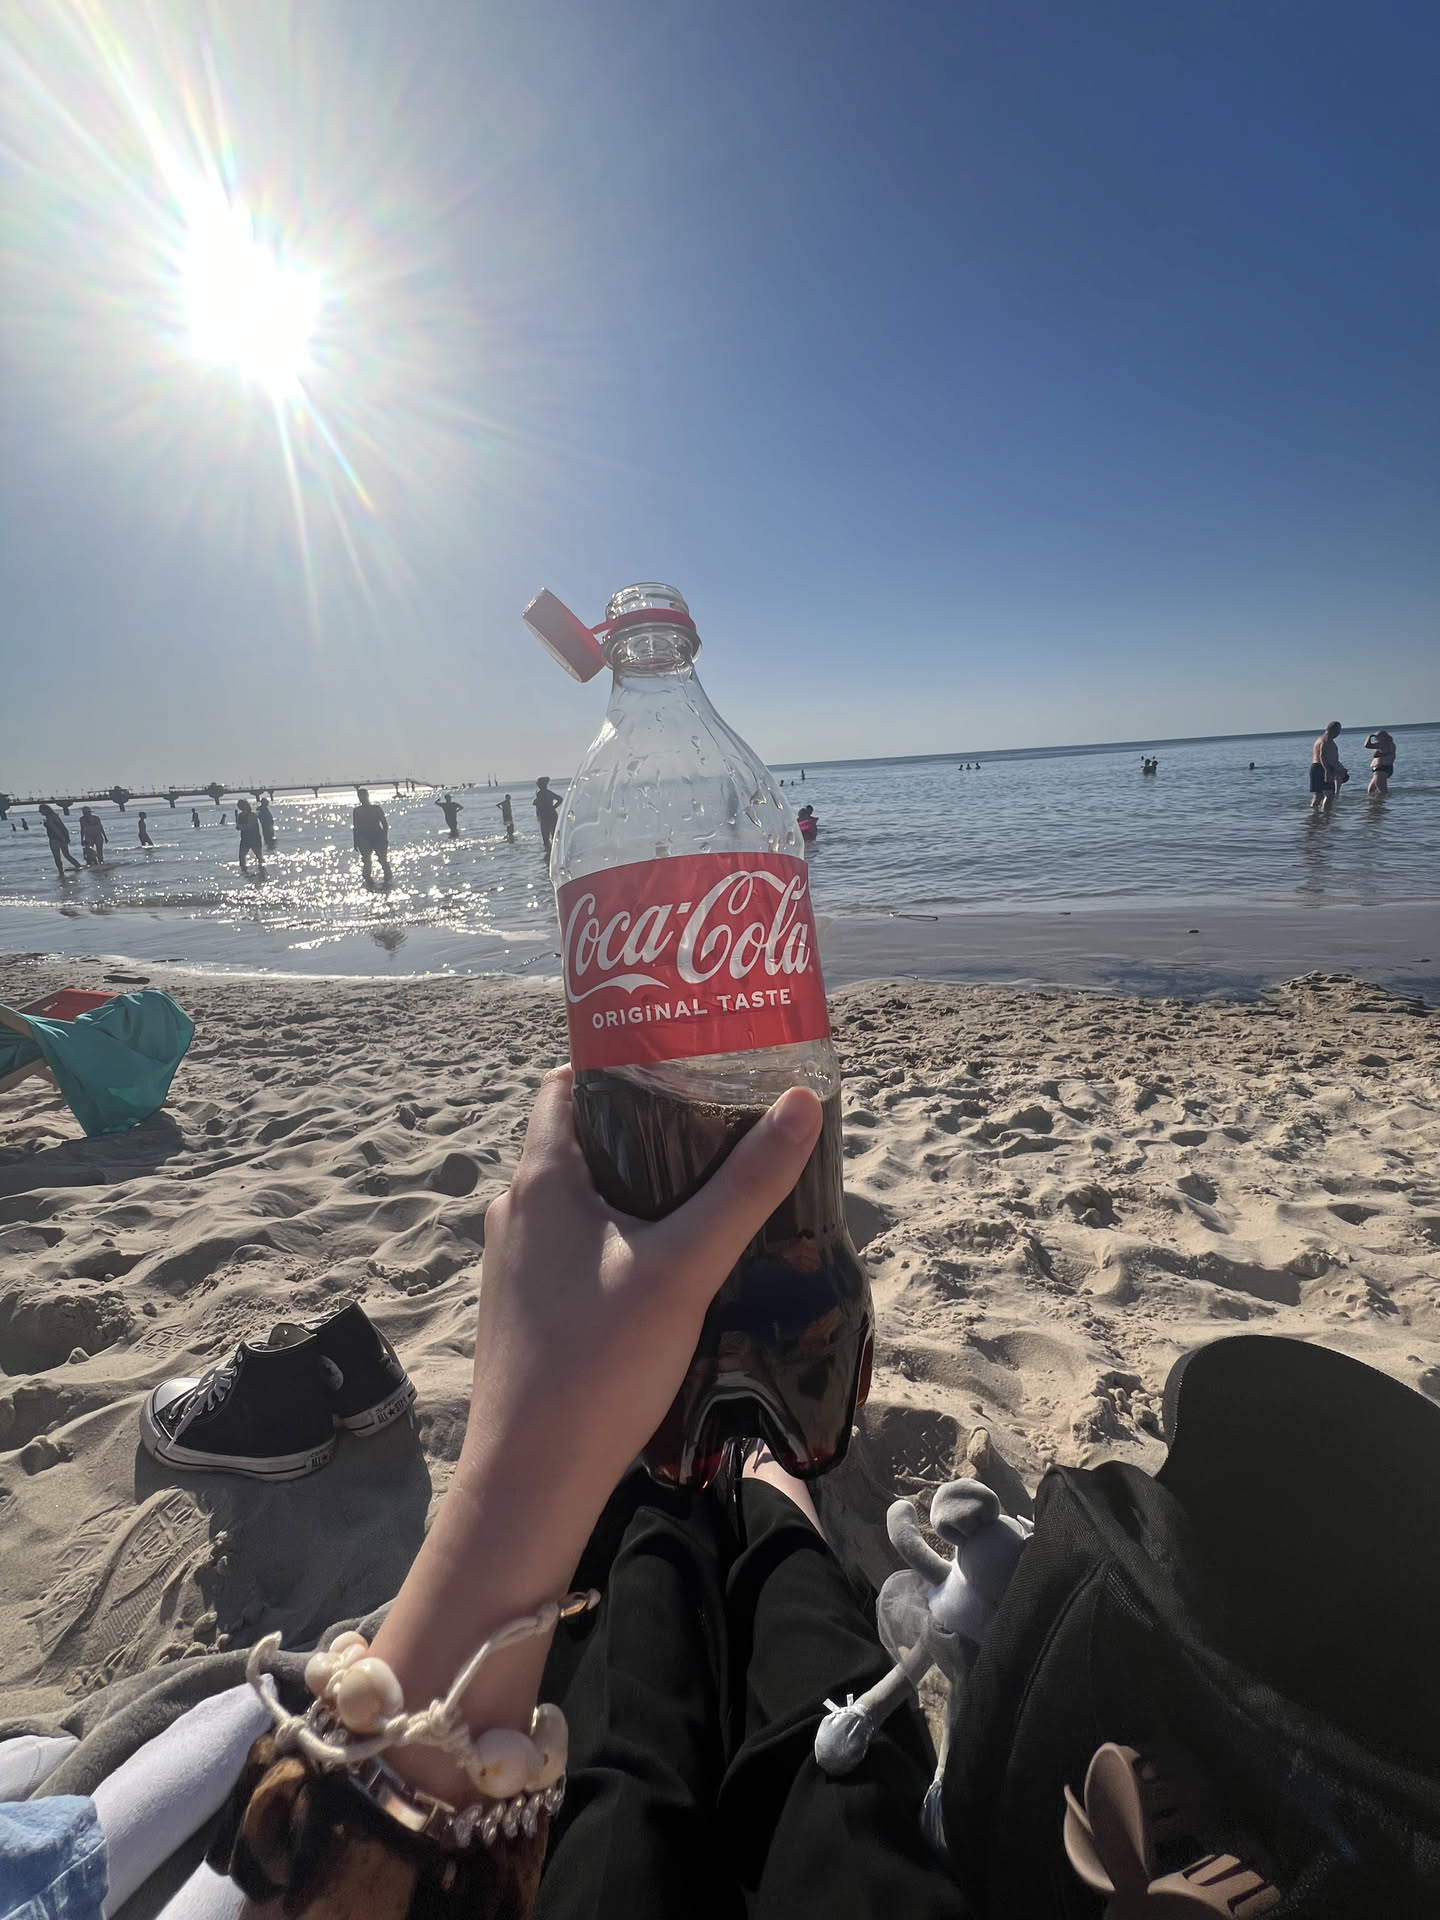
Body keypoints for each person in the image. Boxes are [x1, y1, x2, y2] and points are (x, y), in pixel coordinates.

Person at [352, 787, 393, 888]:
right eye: (359, 797)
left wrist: (385, 837)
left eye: (363, 796)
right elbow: (356, 827)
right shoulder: (357, 810)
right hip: (364, 838)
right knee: (367, 860)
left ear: (367, 796)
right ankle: (370, 882)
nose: (361, 799)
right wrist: (355, 842)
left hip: (378, 836)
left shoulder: (376, 808)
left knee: (382, 859)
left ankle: (387, 881)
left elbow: (385, 824)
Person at [1309, 721, 1345, 814]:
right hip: (1322, 769)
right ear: (1334, 730)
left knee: (1318, 795)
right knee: (1329, 795)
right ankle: (1326, 816)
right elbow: (1323, 756)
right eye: (1339, 731)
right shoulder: (1327, 740)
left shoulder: (1320, 738)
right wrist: (1328, 770)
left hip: (1315, 768)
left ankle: (1314, 815)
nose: (1338, 734)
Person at [39, 802, 81, 875]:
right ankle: (77, 866)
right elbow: (62, 827)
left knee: (58, 856)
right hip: (59, 837)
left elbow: (56, 829)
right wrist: (66, 836)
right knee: (66, 855)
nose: (40, 812)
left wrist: (63, 838)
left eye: (41, 810)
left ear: (46, 810)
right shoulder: (54, 817)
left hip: (55, 838)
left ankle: (61, 872)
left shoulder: (51, 818)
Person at [234, 797, 265, 875]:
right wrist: (239, 826)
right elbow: (238, 826)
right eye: (239, 806)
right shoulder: (240, 815)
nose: (240, 807)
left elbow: (250, 826)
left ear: (246, 805)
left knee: (259, 856)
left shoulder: (252, 814)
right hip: (245, 839)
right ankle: (244, 871)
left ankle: (262, 870)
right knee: (241, 856)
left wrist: (241, 826)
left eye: (241, 805)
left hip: (254, 838)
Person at [1365, 727, 1397, 796]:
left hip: (1381, 769)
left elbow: (1367, 745)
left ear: (1384, 737)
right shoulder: (1389, 744)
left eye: (1377, 736)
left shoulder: (1383, 744)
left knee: (1382, 792)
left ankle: (1383, 802)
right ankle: (1378, 802)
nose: (1376, 738)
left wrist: (1370, 736)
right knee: (1371, 791)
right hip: (1383, 769)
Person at [533, 776, 560, 857]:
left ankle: (549, 855)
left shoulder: (540, 794)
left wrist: (552, 807)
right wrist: (553, 807)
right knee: (553, 836)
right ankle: (554, 854)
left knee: (546, 839)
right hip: (551, 815)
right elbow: (560, 799)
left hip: (545, 816)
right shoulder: (548, 793)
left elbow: (538, 804)